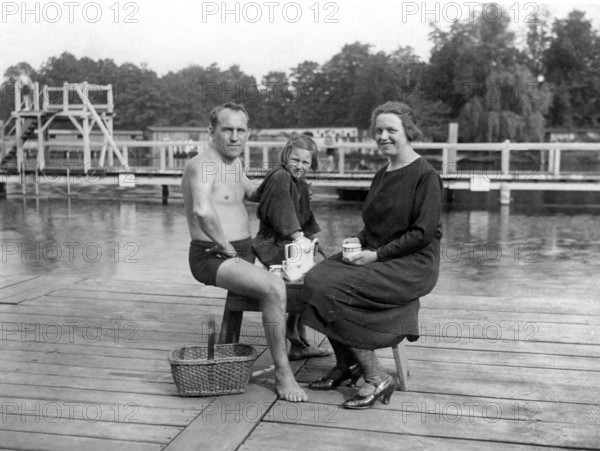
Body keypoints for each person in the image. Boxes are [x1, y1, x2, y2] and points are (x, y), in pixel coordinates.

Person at [301, 101, 443, 409]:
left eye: (391, 130)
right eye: (378, 130)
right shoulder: (382, 174)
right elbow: (374, 225)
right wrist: (357, 239)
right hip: (379, 254)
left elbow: (422, 234)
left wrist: (376, 255)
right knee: (316, 276)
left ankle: (377, 377)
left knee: (333, 289)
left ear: (408, 131)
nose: (384, 136)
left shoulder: (425, 175)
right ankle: (346, 364)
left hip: (413, 264)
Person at [182, 102, 307, 402]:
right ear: (212, 132)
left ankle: (300, 342)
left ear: (248, 132)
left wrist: (284, 176)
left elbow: (251, 192)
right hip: (212, 254)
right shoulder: (201, 164)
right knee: (275, 288)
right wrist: (225, 245)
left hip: (242, 251)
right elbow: (202, 208)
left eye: (241, 130)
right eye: (227, 130)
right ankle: (283, 372)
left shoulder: (233, 162)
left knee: (306, 271)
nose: (235, 137)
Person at [251, 133, 330, 360]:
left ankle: (297, 338)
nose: (299, 166)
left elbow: (305, 218)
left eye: (305, 162)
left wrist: (316, 243)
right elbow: (281, 211)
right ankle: (294, 334)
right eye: (295, 160)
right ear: (286, 156)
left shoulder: (301, 184)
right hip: (271, 244)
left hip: (289, 243)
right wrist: (299, 238)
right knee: (307, 278)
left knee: (317, 272)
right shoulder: (280, 176)